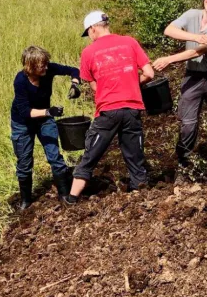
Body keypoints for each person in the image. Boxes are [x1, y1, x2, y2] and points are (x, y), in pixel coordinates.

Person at [64, 11, 154, 204]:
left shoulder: (89, 52)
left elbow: (94, 85)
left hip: (108, 111)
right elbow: (149, 73)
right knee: (135, 155)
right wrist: (130, 83)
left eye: (88, 32)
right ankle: (142, 195)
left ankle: (71, 198)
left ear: (93, 28)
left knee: (90, 154)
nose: (89, 36)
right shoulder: (130, 42)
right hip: (132, 109)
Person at [153, 0, 207, 179]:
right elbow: (169, 30)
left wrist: (169, 59)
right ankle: (184, 159)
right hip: (193, 76)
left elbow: (200, 50)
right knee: (188, 121)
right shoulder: (191, 14)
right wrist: (196, 36)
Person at [11, 46, 81, 210]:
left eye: (46, 64)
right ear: (31, 66)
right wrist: (49, 111)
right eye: (42, 65)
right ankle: (26, 201)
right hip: (23, 123)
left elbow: (73, 70)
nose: (46, 67)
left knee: (54, 155)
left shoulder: (48, 70)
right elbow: (25, 112)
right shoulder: (20, 81)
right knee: (24, 162)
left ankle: (64, 194)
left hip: (45, 120)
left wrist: (75, 84)